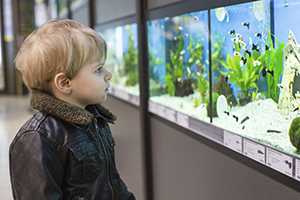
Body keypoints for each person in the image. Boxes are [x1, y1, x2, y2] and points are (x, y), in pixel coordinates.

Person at [9, 19, 135, 200]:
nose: (109, 75)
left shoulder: (96, 121)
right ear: (65, 83)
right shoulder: (38, 137)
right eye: (98, 69)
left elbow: (112, 181)